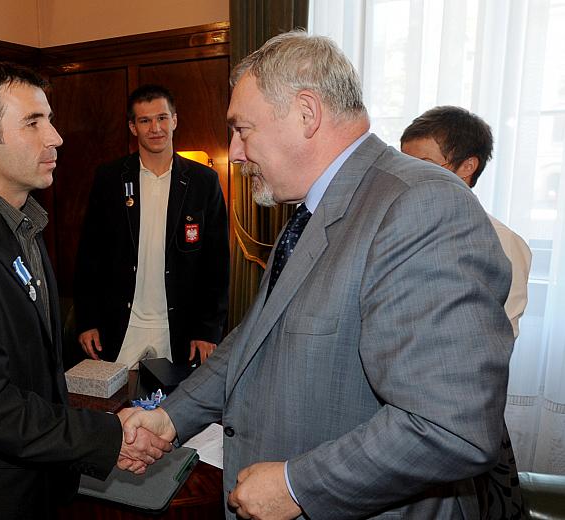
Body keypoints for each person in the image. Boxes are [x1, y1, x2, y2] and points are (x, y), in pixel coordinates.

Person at [122, 31, 515, 519]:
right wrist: (169, 418)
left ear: (306, 113)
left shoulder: (421, 205)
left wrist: (296, 485)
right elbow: (255, 341)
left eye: (243, 129)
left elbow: (450, 426)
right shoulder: (312, 209)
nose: (236, 152)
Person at [0, 62, 170, 520]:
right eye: (33, 122)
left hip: (40, 477)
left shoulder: (24, 222)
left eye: (49, 119)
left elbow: (40, 371)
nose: (56, 137)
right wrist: (106, 436)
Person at [73, 84, 229, 368]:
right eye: (145, 121)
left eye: (162, 118)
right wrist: (87, 320)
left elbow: (216, 264)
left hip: (179, 331)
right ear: (133, 127)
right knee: (114, 410)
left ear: (175, 120)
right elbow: (89, 256)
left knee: (172, 410)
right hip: (119, 327)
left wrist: (208, 330)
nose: (155, 128)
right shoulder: (109, 179)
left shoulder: (203, 181)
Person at [401, 106, 532, 338]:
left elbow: (497, 337)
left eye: (424, 164)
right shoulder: (396, 226)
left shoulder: (503, 242)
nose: (409, 175)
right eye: (404, 164)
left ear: (467, 167)